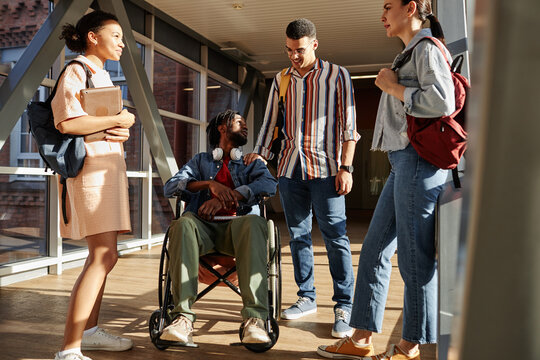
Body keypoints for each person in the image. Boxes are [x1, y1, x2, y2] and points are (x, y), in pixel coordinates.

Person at [317, 1, 455, 359]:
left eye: (388, 7)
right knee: (375, 250)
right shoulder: (412, 52)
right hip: (404, 164)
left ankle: (410, 346)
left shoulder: (425, 49)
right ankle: (361, 338)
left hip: (418, 163)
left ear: (411, 8)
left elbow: (443, 100)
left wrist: (392, 88)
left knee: (414, 259)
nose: (382, 15)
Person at [244, 18, 360, 338]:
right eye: (289, 50)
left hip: (327, 170)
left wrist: (346, 168)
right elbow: (270, 123)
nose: (294, 56)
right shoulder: (282, 79)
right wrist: (260, 154)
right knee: (298, 236)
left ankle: (345, 305)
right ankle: (306, 297)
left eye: (300, 50)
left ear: (314, 45)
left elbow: (349, 127)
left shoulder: (337, 75)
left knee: (336, 237)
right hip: (290, 170)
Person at [50, 10, 136, 360]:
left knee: (106, 256)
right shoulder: (77, 70)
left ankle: (90, 332)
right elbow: (66, 122)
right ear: (92, 37)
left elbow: (96, 127)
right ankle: (69, 349)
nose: (122, 43)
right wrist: (119, 118)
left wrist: (119, 129)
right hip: (90, 174)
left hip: (106, 171)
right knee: (103, 254)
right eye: (115, 36)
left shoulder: (100, 74)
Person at [162, 110, 278, 346]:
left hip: (238, 231)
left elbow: (269, 184)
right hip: (203, 231)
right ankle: (182, 318)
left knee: (255, 222)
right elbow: (171, 186)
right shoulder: (201, 161)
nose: (245, 126)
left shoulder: (250, 163)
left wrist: (232, 195)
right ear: (221, 129)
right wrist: (209, 184)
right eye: (238, 122)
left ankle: (255, 320)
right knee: (183, 223)